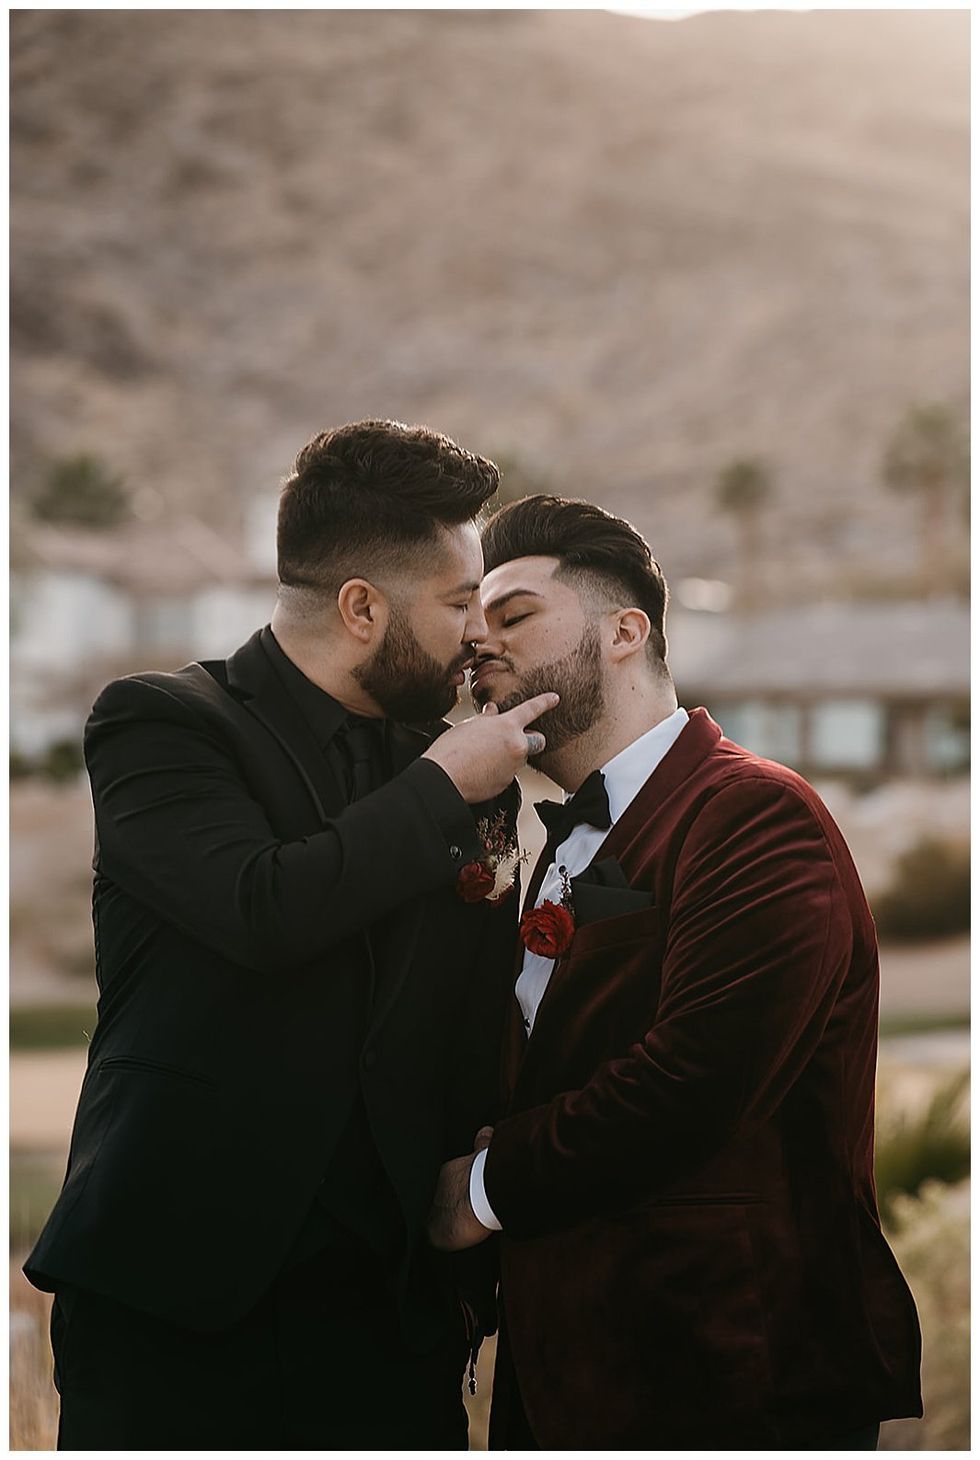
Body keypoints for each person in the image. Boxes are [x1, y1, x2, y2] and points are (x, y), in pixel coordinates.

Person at [24, 420, 560, 1450]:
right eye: (457, 604)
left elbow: (466, 1004)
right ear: (361, 608)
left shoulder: (453, 767)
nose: (475, 635)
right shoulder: (162, 725)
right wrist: (440, 788)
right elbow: (260, 907)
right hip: (177, 1305)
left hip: (388, 1320)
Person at [428, 494, 923, 1450]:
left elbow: (694, 1081)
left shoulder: (757, 813)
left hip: (732, 1374)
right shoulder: (553, 843)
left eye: (514, 615)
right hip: (568, 1378)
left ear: (625, 632)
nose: (479, 646)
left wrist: (483, 1189)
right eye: (474, 626)